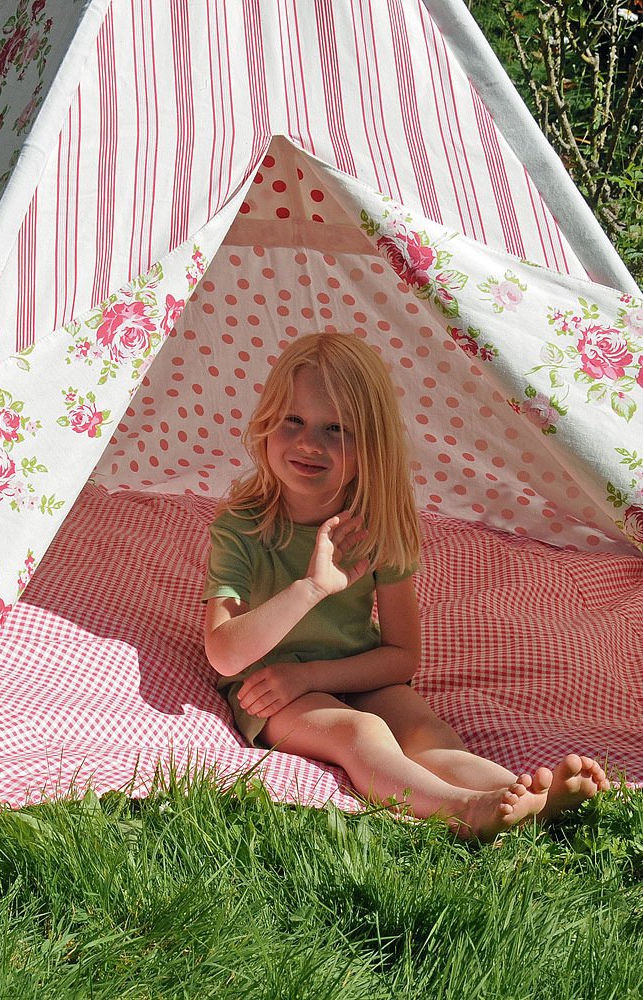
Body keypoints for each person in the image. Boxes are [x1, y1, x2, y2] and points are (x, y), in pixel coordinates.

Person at [203, 332, 609, 841]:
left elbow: (401, 656)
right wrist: (311, 588)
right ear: (266, 423)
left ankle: (524, 796)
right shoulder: (243, 525)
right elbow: (224, 655)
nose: (309, 443)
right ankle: (463, 810)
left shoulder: (376, 527)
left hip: (354, 674)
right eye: (293, 420)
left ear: (370, 446)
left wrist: (315, 675)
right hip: (269, 691)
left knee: (425, 731)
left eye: (336, 429)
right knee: (361, 731)